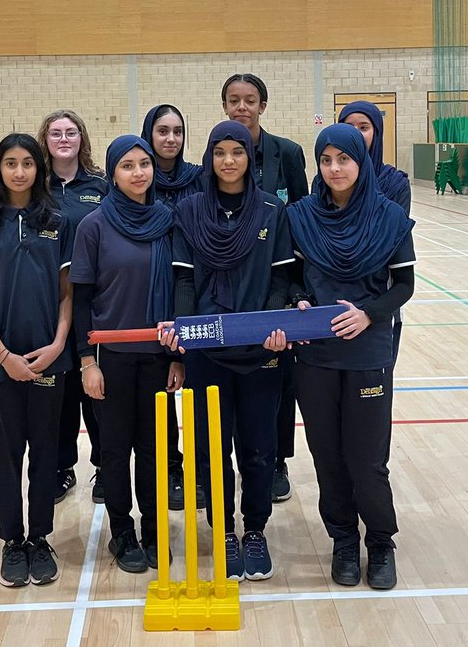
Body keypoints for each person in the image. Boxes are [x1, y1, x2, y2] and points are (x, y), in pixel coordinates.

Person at [162, 120, 295, 582]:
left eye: (237, 152)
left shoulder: (271, 213)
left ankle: (254, 530)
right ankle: (224, 533)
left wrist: (272, 327)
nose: (229, 161)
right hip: (207, 354)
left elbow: (280, 280)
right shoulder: (190, 210)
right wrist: (182, 339)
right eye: (219, 152)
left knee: (259, 449)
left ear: (249, 158)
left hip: (262, 355)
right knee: (211, 451)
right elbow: (182, 280)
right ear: (209, 157)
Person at [286, 123, 416, 592]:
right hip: (316, 356)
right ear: (318, 165)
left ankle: (380, 541)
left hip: (368, 351)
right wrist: (298, 300)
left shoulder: (388, 217)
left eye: (345, 159)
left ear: (361, 163)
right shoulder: (299, 216)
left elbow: (404, 286)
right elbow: (292, 277)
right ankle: (343, 540)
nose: (336, 168)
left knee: (366, 460)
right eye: (327, 160)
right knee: (328, 457)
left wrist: (367, 315)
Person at [0, 133, 74, 589]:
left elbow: (68, 294)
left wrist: (57, 344)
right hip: (0, 365)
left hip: (50, 360)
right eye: (10, 163)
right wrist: (3, 356)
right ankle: (12, 541)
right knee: (5, 457)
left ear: (39, 169)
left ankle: (40, 537)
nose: (20, 171)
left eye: (28, 162)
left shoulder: (59, 222)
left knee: (47, 453)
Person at [71, 135, 184, 574]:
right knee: (116, 451)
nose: (139, 173)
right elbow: (81, 301)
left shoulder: (168, 221)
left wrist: (179, 357)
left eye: (145, 164)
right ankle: (122, 531)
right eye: (128, 166)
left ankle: (155, 529)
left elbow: (179, 290)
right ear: (113, 175)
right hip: (112, 358)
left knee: (156, 449)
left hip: (158, 356)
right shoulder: (94, 226)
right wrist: (87, 362)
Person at [220, 73, 308, 503]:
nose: (242, 107)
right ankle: (225, 463)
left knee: (278, 376)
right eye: (234, 100)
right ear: (224, 107)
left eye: (250, 100)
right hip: (232, 278)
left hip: (279, 273)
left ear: (263, 105)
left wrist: (295, 289)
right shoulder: (222, 153)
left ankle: (276, 462)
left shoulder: (287, 153)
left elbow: (303, 211)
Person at [39, 110, 108, 505]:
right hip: (48, 304)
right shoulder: (35, 186)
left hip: (91, 303)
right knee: (59, 394)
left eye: (70, 132)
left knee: (94, 389)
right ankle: (63, 467)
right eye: (55, 133)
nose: (63, 138)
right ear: (45, 139)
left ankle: (102, 466)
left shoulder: (100, 184)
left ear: (82, 138)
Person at [139, 104, 203, 511]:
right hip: (149, 292)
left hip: (192, 290)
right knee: (158, 392)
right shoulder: (138, 178)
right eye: (162, 130)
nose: (170, 139)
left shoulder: (199, 179)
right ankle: (169, 467)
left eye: (177, 131)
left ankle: (198, 468)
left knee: (196, 389)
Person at [337, 100, 412, 213]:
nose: (356, 133)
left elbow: (398, 229)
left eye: (364, 128)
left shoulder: (395, 184)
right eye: (349, 127)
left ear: (376, 133)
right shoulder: (328, 180)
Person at [140, 104, 203, 209]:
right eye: (163, 132)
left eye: (177, 132)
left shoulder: (197, 177)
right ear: (149, 134)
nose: (171, 139)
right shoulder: (139, 180)